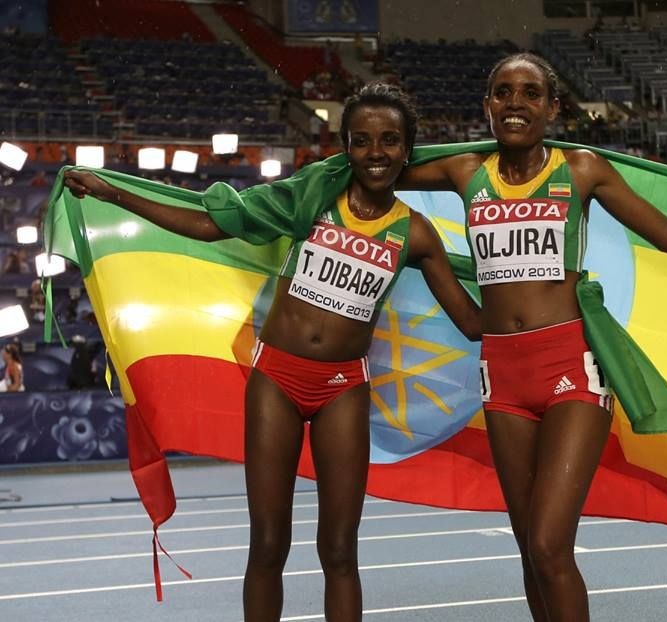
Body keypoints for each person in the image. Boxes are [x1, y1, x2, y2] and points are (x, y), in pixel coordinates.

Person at [398, 52, 667, 621]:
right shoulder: (464, 171)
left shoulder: (581, 170)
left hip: (570, 367)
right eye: (502, 92)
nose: (515, 103)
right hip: (500, 374)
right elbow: (373, 166)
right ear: (486, 106)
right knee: (530, 549)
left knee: (549, 544)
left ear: (553, 108)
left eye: (530, 93)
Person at [64, 83, 481, 622]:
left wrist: (554, 301)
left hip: (343, 390)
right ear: (346, 147)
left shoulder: (415, 234)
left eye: (389, 140)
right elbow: (208, 224)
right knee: (267, 544)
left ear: (407, 149)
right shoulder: (311, 199)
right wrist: (111, 193)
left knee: (340, 551)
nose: (375, 152)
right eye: (361, 140)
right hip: (277, 381)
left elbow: (472, 323)